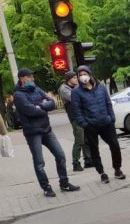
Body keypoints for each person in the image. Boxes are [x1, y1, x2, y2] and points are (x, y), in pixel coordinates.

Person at [13, 68, 80, 197]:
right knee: (39, 162)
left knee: (60, 155)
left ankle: (64, 183)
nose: (32, 79)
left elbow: (52, 103)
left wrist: (40, 105)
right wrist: (43, 105)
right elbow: (30, 111)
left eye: (32, 76)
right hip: (33, 133)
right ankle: (46, 188)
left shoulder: (37, 89)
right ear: (22, 78)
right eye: (29, 77)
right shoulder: (18, 95)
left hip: (46, 129)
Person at [72, 65, 126, 185]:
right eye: (80, 75)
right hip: (91, 125)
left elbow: (108, 103)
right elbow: (76, 111)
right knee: (94, 150)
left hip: (106, 122)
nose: (83, 77)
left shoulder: (101, 87)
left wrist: (111, 118)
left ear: (90, 74)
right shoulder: (76, 92)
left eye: (85, 74)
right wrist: (85, 124)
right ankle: (102, 173)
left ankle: (117, 169)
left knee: (115, 145)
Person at [58, 70, 93, 172]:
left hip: (83, 116)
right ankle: (75, 163)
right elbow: (75, 99)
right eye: (74, 78)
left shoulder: (76, 87)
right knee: (79, 140)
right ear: (69, 79)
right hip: (75, 117)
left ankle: (88, 160)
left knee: (86, 139)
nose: (77, 79)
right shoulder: (64, 89)